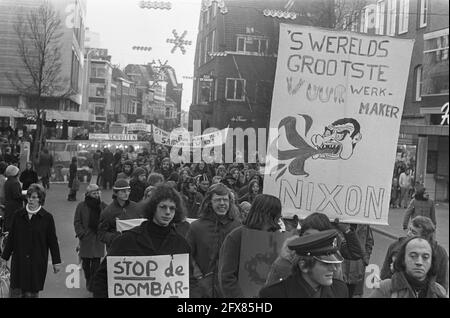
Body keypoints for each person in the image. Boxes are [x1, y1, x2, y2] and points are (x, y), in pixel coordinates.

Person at [91, 184, 195, 298]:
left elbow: (189, 281)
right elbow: (101, 279)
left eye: (172, 208)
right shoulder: (126, 240)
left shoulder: (181, 245)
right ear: (153, 208)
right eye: (163, 207)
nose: (168, 212)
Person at [265, 212, 364, 285]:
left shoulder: (334, 265)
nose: (312, 242)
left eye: (318, 238)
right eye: (308, 236)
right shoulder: (286, 260)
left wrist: (346, 230)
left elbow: (355, 253)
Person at [0, 183, 61, 298]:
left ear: (40, 199)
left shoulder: (47, 218)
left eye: (34, 197)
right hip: (19, 262)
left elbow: (53, 242)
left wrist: (56, 262)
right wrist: (4, 258)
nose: (30, 200)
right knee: (15, 293)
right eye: (29, 197)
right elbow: (11, 238)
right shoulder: (18, 215)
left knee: (31, 293)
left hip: (37, 262)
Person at [218, 194, 282, 297]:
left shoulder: (277, 237)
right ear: (262, 213)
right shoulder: (237, 236)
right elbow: (227, 277)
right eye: (273, 215)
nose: (276, 219)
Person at [186, 183, 241, 298]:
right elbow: (187, 254)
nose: (222, 203)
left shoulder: (237, 227)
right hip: (202, 289)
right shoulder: (196, 227)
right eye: (217, 200)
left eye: (225, 200)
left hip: (229, 290)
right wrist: (199, 276)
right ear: (209, 202)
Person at [259, 229, 348, 298]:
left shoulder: (340, 290)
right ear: (303, 266)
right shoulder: (273, 294)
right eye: (326, 263)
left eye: (333, 263)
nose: (334, 268)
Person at [381, 216, 448, 292]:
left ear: (424, 237)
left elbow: (442, 282)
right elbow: (384, 275)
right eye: (409, 229)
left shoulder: (440, 252)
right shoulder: (395, 247)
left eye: (413, 232)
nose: (408, 234)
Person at [369, 236, 447, 298]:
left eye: (425, 257)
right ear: (403, 259)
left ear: (431, 262)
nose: (419, 262)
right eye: (413, 256)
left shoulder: (439, 291)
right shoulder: (386, 288)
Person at [73, 184, 107, 292]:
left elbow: (108, 218)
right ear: (88, 194)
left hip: (98, 239)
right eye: (94, 193)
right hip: (86, 239)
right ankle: (88, 279)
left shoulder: (103, 206)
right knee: (86, 265)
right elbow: (77, 221)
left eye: (97, 192)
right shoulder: (81, 206)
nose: (96, 195)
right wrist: (81, 233)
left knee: (96, 265)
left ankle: (93, 285)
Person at [97, 179, 144, 252]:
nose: (126, 194)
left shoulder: (137, 207)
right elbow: (101, 233)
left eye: (128, 191)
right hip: (116, 250)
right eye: (123, 191)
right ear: (115, 193)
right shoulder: (108, 211)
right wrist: (114, 237)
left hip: (135, 249)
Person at [341, 224, 374, 297]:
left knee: (353, 293)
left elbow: (369, 242)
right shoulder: (340, 223)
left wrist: (365, 259)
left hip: (357, 266)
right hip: (342, 266)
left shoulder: (365, 225)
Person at [3, 165, 24, 232]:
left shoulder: (7, 181)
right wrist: (25, 196)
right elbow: (16, 196)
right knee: (15, 222)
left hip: (8, 204)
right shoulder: (15, 182)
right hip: (15, 206)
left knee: (8, 222)